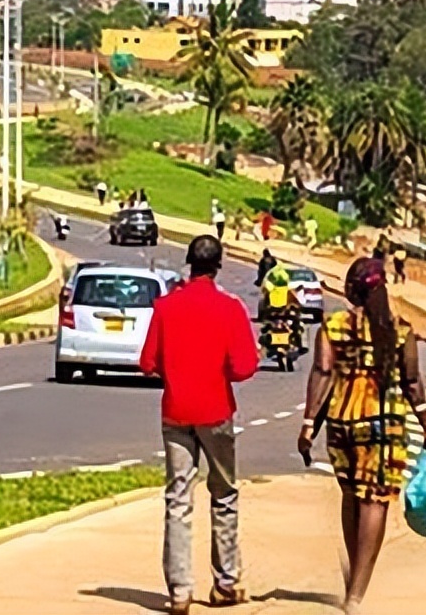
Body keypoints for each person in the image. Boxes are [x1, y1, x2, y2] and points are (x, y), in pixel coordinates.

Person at [298, 258, 426, 615]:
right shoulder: (399, 329)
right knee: (374, 501)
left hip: (343, 424)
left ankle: (353, 580)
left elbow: (322, 372)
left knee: (351, 496)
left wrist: (309, 424)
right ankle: (356, 595)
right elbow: (411, 381)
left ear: (350, 290)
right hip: (384, 427)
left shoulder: (332, 326)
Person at [140, 235, 259, 615]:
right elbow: (244, 367)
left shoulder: (166, 306)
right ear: (218, 265)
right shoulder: (230, 309)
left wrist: (175, 369)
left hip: (175, 412)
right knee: (223, 494)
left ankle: (179, 590)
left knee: (178, 499)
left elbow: (147, 362)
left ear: (189, 263)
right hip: (216, 411)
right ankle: (225, 582)